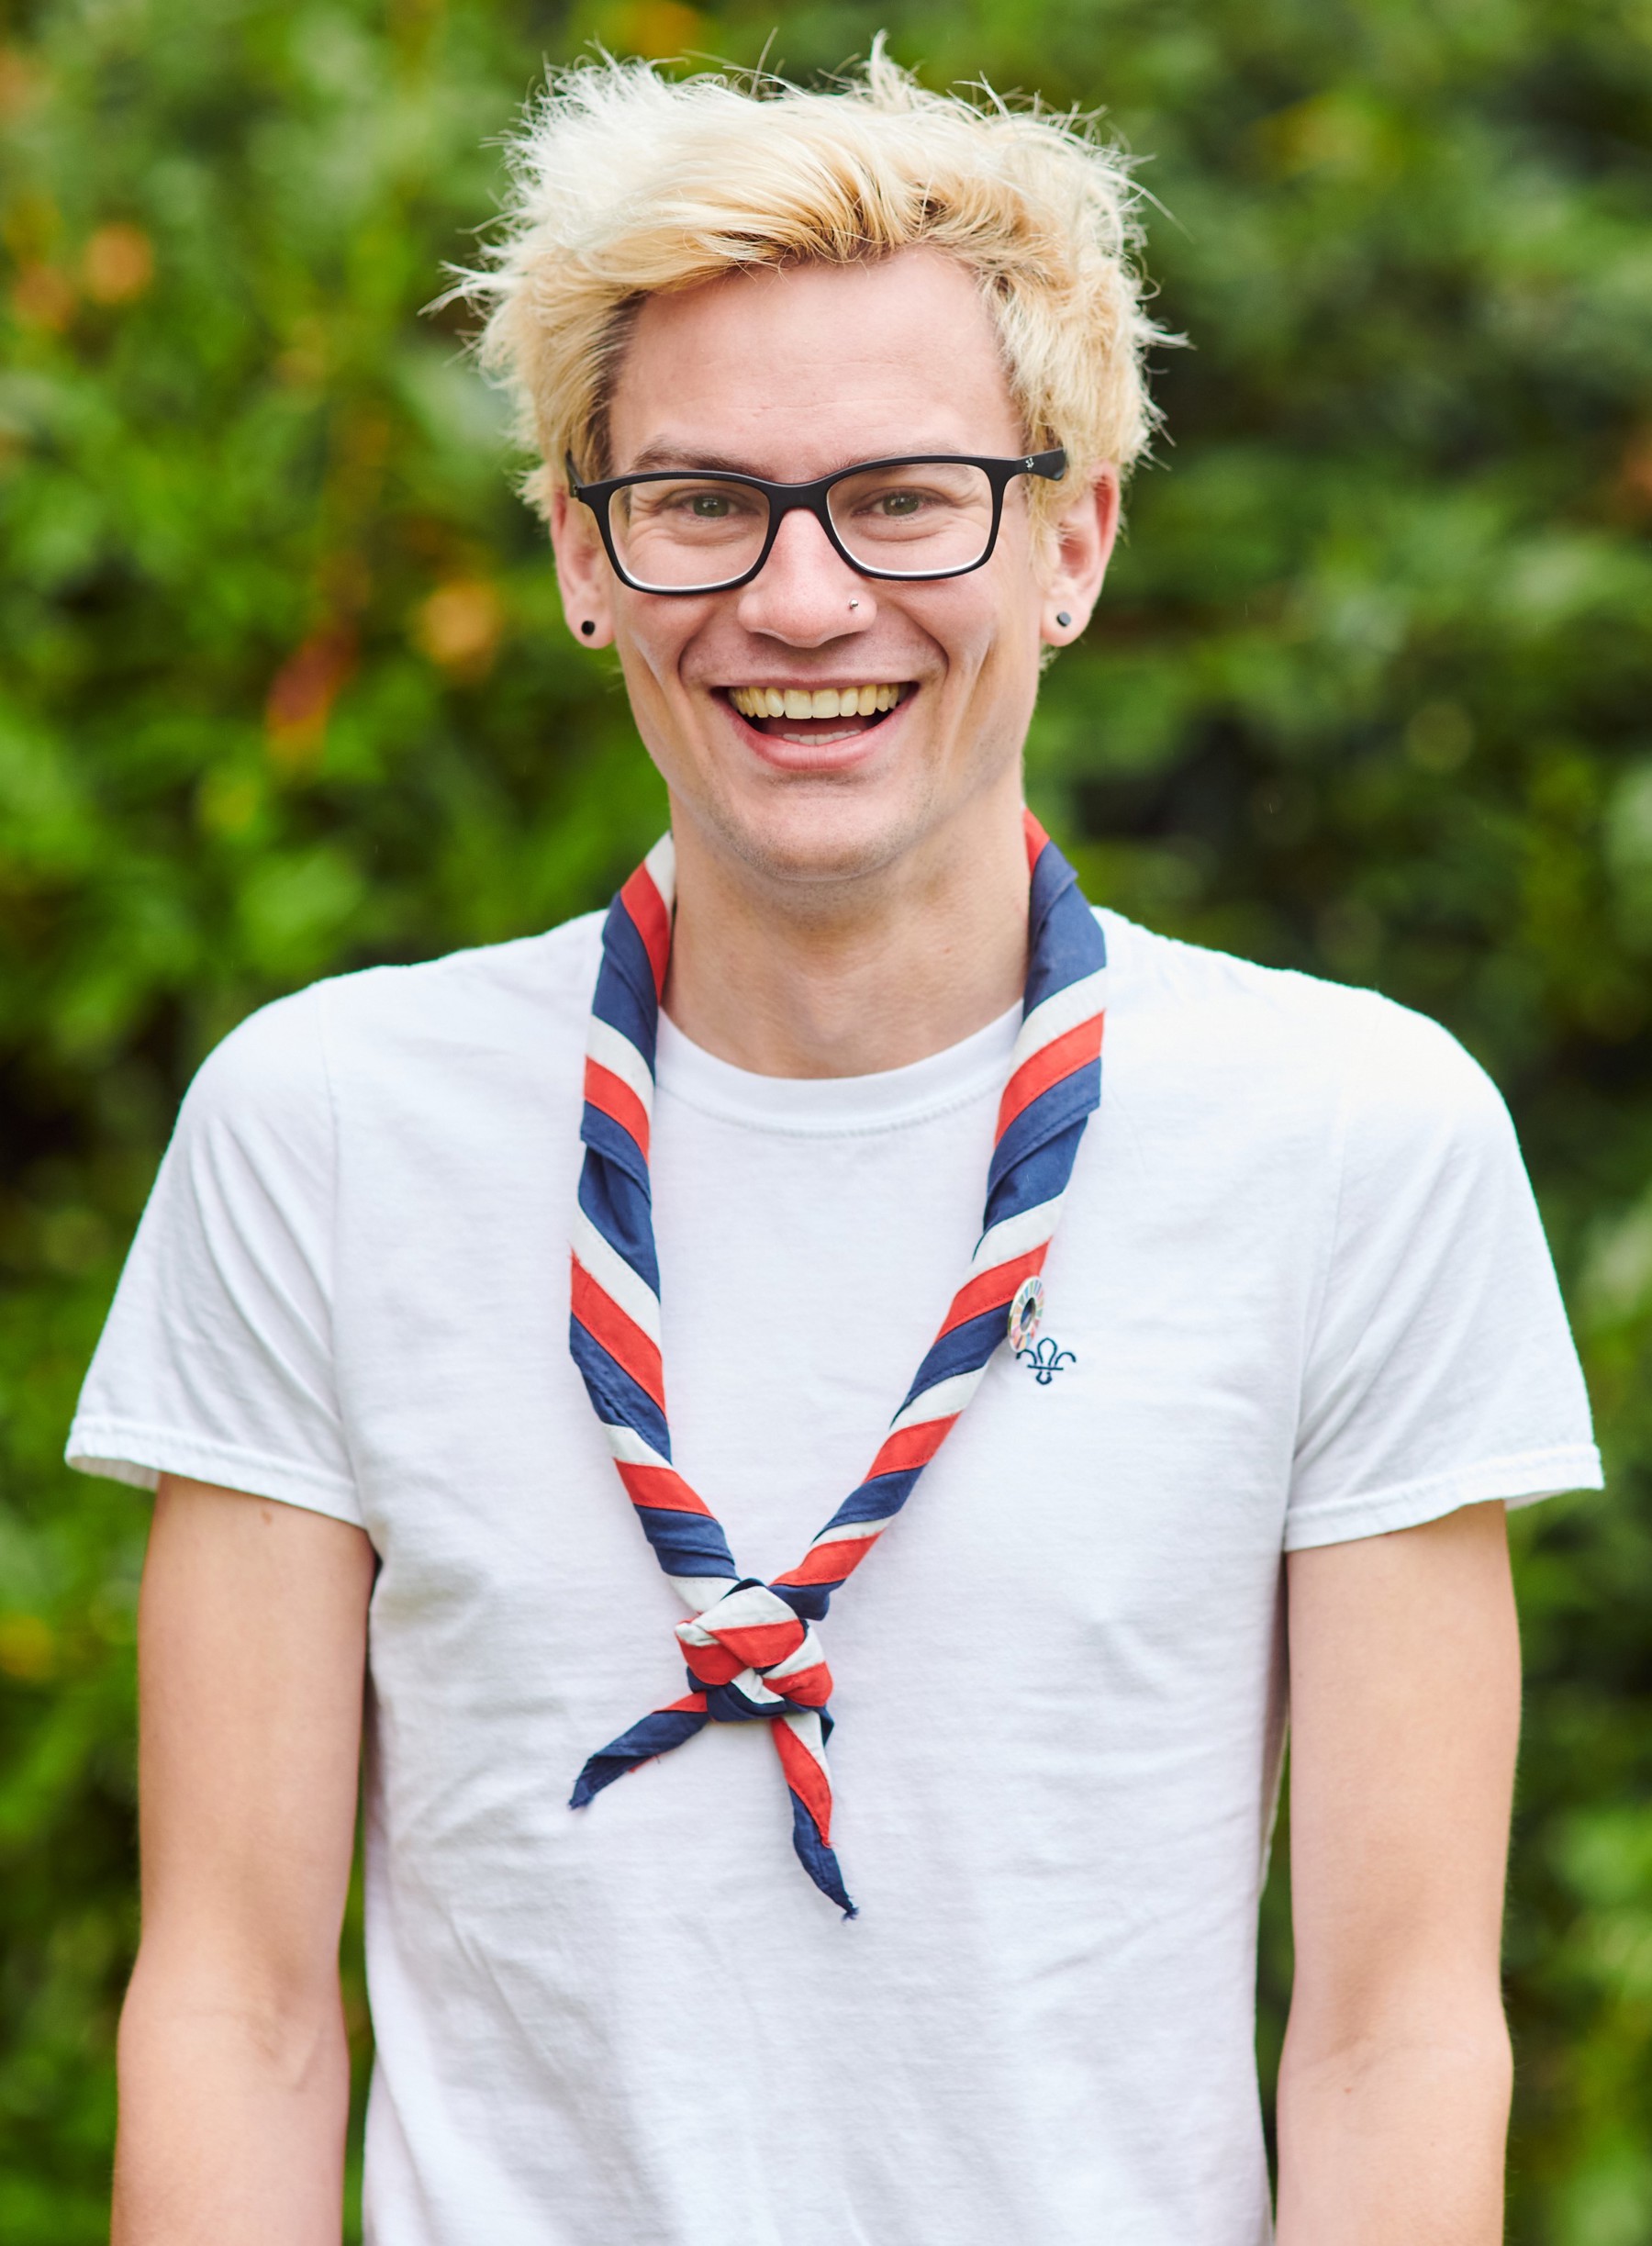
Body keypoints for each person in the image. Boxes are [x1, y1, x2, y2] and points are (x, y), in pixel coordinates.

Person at [70, 48, 1602, 2246]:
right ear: (585, 558)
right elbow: (232, 2007)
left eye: (904, 498)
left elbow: (1392, 2032)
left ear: (1070, 542)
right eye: (700, 501)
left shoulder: (1354, 1138)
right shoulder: (323, 1129)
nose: (800, 604)